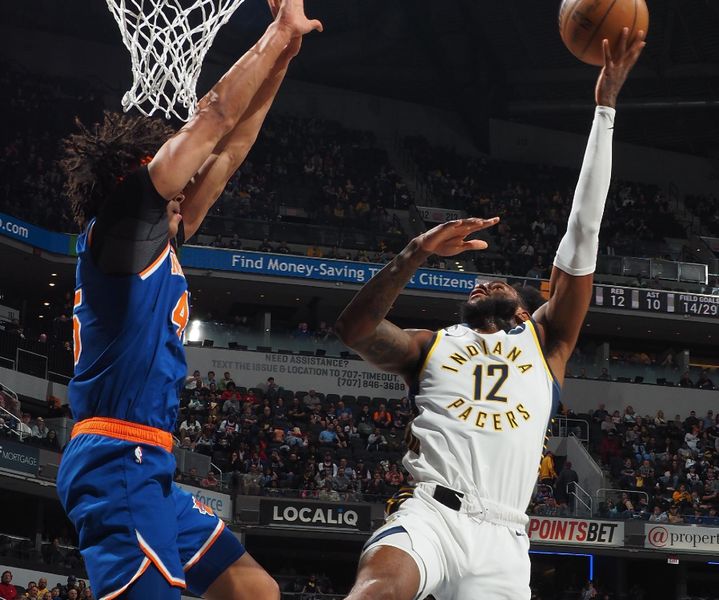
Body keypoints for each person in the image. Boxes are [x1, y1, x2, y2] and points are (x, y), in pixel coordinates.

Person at [336, 29, 645, 600]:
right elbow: (353, 330)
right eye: (479, 282)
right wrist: (417, 252)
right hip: (432, 517)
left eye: (502, 282)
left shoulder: (547, 342)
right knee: (377, 588)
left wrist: (605, 109)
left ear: (528, 307)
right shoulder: (432, 345)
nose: (487, 280)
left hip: (504, 540)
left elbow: (585, 232)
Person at [54, 2, 322, 599]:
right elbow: (215, 116)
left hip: (149, 462)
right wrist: (274, 30)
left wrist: (282, 59)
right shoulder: (125, 224)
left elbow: (230, 150)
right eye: (180, 173)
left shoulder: (160, 237)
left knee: (256, 591)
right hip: (116, 457)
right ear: (143, 173)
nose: (192, 183)